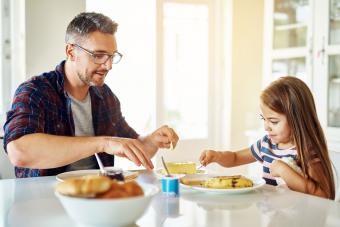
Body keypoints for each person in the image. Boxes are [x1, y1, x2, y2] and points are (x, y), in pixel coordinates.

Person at [3, 12, 179, 178]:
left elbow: (135, 147)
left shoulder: (105, 95)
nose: (108, 65)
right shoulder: (35, 91)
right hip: (44, 201)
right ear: (71, 52)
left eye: (111, 56)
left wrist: (153, 140)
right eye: (99, 55)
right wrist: (103, 143)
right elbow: (19, 151)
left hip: (98, 197)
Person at [199, 76, 335, 199]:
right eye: (264, 119)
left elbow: (323, 195)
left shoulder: (307, 151)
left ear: (297, 120)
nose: (266, 127)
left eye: (274, 121)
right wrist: (217, 156)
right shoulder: (266, 144)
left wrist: (283, 170)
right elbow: (235, 158)